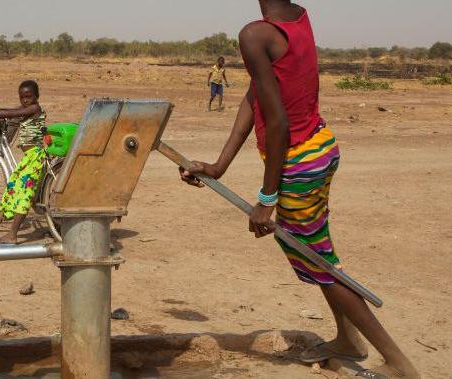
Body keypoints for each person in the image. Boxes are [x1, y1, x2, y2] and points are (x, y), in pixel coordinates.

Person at [178, 2, 420, 378]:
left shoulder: (254, 34)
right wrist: (218, 166)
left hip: (299, 163)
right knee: (320, 255)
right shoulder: (296, 18)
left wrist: (267, 199)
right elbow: (255, 97)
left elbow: (278, 123)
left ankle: (399, 363)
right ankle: (348, 340)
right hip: (320, 148)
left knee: (318, 264)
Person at [0, 80, 46, 245]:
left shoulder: (34, 108)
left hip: (35, 156)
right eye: (22, 97)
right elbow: (11, 111)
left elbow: (12, 114)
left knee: (24, 194)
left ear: (37, 96)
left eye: (29, 96)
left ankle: (12, 235)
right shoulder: (26, 108)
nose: (25, 100)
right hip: (30, 157)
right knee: (16, 184)